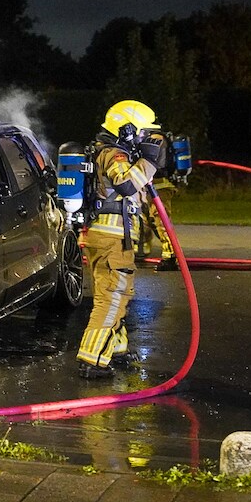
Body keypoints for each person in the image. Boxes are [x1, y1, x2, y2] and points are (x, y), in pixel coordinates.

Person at [76, 100, 168, 378]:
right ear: (126, 129)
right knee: (112, 298)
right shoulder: (114, 154)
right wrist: (150, 161)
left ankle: (116, 348)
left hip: (103, 236)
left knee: (115, 293)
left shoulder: (103, 151)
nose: (143, 140)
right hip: (112, 238)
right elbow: (126, 183)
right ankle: (91, 360)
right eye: (141, 134)